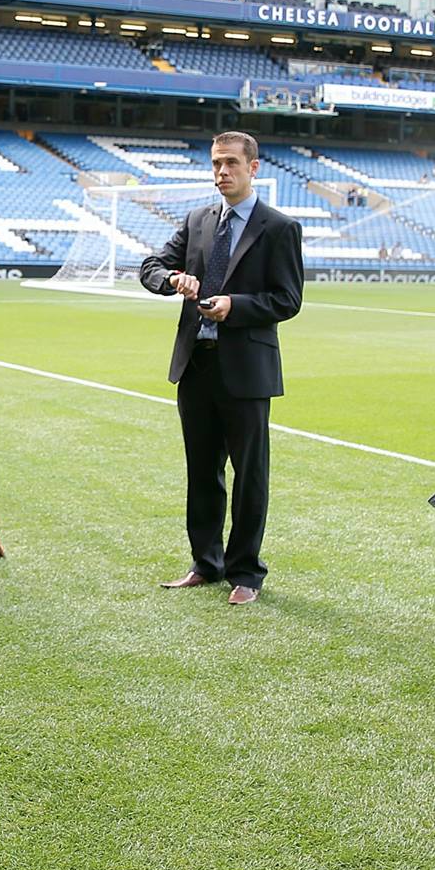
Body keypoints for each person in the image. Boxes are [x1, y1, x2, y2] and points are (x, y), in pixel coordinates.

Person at [137, 133, 305, 606]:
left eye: (231, 163)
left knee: (250, 474)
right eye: (215, 163)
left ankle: (247, 572)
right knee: (202, 470)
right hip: (196, 366)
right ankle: (205, 563)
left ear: (253, 168)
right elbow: (150, 266)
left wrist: (236, 306)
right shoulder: (197, 220)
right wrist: (171, 278)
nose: (221, 172)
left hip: (247, 371)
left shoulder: (279, 227)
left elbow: (287, 300)